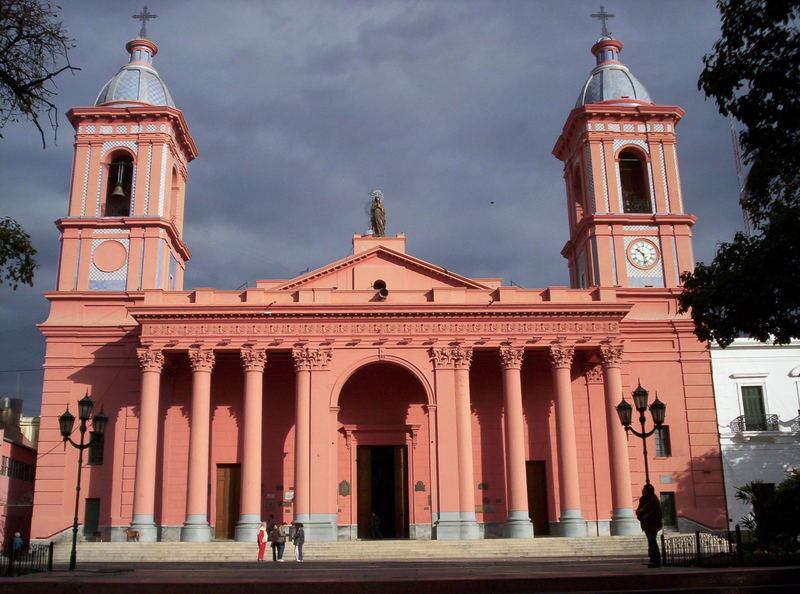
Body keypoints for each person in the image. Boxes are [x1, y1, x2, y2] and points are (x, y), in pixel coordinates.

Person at [636, 483, 663, 567]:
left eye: (644, 490)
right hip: (646, 524)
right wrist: (640, 513)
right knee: (651, 542)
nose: (642, 491)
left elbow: (656, 512)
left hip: (653, 524)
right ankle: (653, 560)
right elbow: (639, 510)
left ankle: (656, 560)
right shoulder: (643, 499)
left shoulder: (653, 499)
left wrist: (643, 512)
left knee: (652, 541)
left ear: (648, 491)